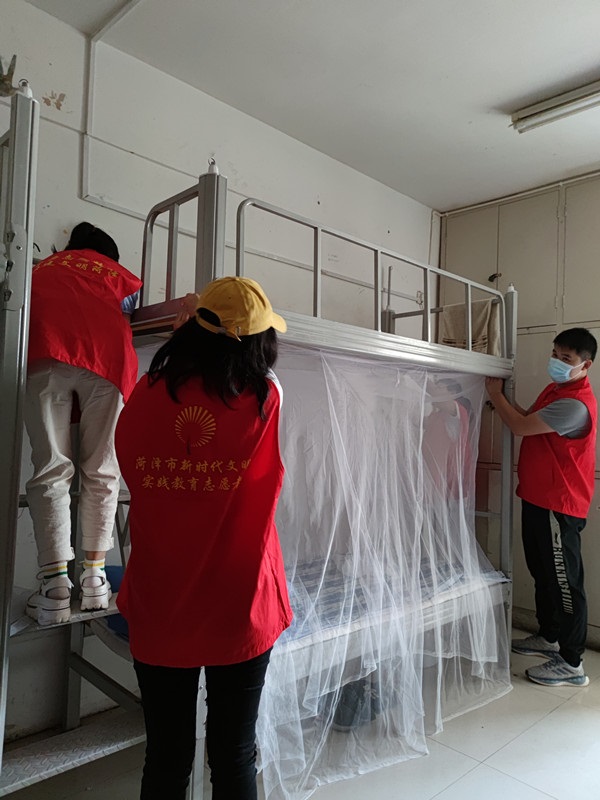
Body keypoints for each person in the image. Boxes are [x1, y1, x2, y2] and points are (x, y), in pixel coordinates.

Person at [114, 276, 293, 800]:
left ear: (194, 331)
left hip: (162, 601)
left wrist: (185, 337)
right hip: (240, 602)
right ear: (256, 344)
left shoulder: (144, 395)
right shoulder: (265, 400)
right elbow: (258, 374)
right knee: (234, 756)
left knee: (165, 758)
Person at [24, 222, 142, 625]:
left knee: (51, 467)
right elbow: (135, 315)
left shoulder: (39, 269)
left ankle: (55, 586)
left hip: (45, 353)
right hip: (108, 364)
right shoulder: (120, 276)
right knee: (102, 469)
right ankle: (94, 579)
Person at [485, 327, 597, 688]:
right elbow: (527, 419)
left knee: (565, 582)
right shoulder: (556, 390)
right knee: (543, 572)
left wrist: (495, 393)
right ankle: (549, 636)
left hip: (558, 505)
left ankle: (571, 662)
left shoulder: (574, 404)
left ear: (585, 365)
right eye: (555, 354)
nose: (557, 362)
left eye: (566, 359)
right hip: (538, 497)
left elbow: (519, 426)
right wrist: (501, 400)